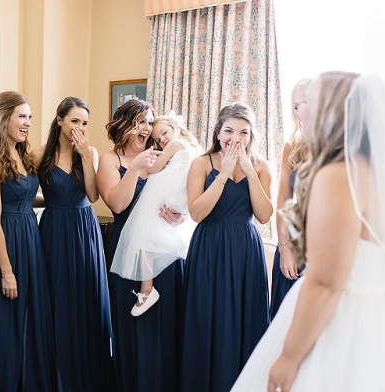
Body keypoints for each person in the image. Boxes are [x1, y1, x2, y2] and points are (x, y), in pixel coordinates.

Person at [232, 72, 385, 391]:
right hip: (381, 317)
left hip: (341, 321)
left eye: (313, 102)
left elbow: (325, 283)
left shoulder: (339, 175)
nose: (303, 111)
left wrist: (289, 358)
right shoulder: (380, 175)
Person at [180, 102, 273, 391]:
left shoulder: (261, 166)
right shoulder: (201, 163)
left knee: (247, 320)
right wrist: (223, 175)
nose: (237, 138)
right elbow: (196, 213)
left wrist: (248, 170)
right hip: (210, 249)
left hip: (246, 251)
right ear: (218, 133)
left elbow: (264, 215)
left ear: (251, 136)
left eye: (244, 132)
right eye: (230, 130)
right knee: (209, 320)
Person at [96, 99, 185, 391]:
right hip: (128, 252)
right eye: (141, 121)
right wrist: (134, 168)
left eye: (150, 122)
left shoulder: (162, 154)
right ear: (125, 124)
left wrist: (178, 215)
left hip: (164, 250)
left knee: (166, 326)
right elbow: (118, 205)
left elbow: (182, 195)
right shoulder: (111, 159)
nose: (147, 129)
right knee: (135, 326)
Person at [32, 96, 115, 391]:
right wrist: (50, 201)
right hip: (54, 228)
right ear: (59, 121)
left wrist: (84, 156)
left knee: (87, 294)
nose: (79, 127)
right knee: (58, 297)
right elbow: (26, 193)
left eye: (84, 123)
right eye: (74, 121)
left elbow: (93, 196)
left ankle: (91, 372)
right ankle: (58, 373)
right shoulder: (39, 154)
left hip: (85, 229)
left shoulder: (89, 152)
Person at [0, 91, 56, 392]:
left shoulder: (23, 155)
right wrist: (6, 271)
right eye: (22, 116)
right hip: (5, 242)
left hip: (29, 239)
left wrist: (55, 200)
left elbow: (24, 197)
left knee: (32, 315)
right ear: (3, 118)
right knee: (6, 320)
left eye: (30, 118)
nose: (27, 123)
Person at [110, 112, 201, 316]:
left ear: (175, 127)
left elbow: (154, 169)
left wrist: (149, 162)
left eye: (164, 133)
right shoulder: (191, 150)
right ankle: (147, 287)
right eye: (159, 139)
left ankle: (146, 288)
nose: (163, 140)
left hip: (172, 192)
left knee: (144, 230)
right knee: (148, 235)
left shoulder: (176, 144)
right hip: (180, 196)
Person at [269, 79, 312, 319]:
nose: (300, 111)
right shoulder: (292, 146)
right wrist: (284, 248)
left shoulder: (339, 144)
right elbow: (283, 200)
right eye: (295, 105)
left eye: (305, 102)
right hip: (293, 242)